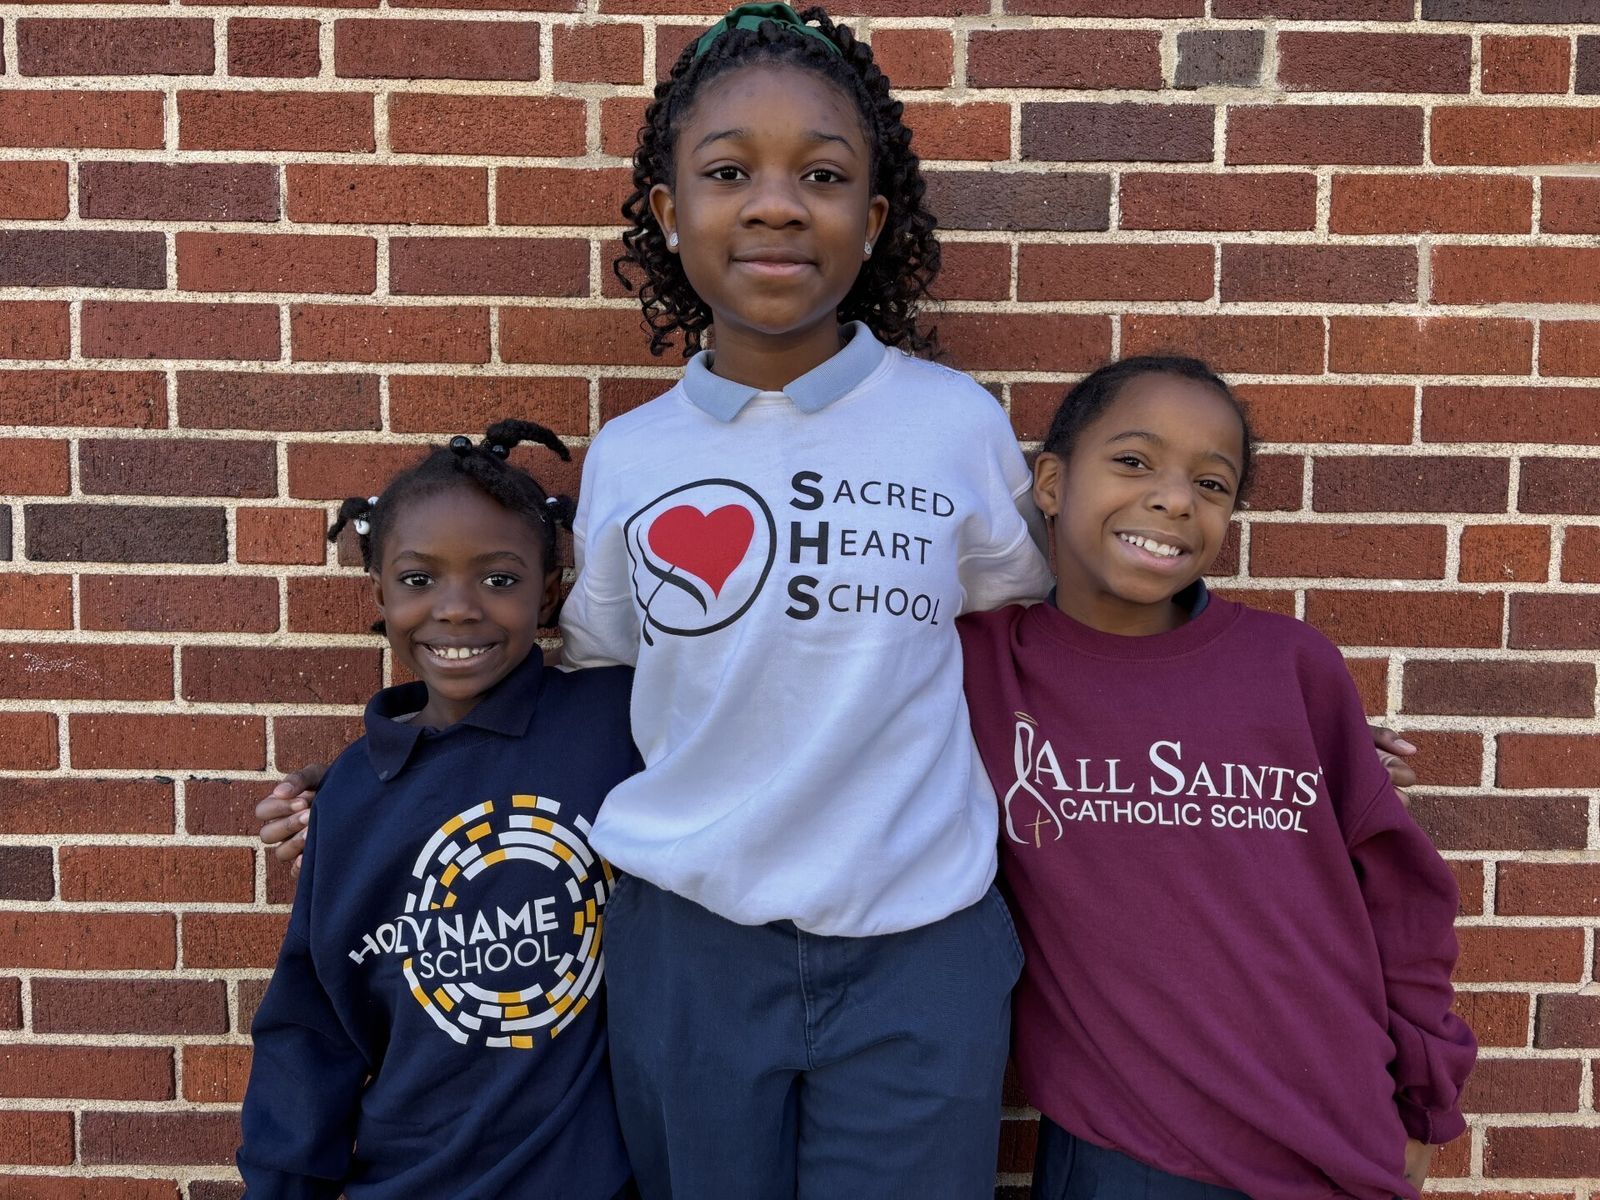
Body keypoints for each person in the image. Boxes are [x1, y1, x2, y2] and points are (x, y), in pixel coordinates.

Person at [253, 7, 1420, 1196]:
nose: (772, 204)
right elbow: (586, 691)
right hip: (690, 950)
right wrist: (378, 792)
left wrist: (1264, 730)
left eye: (820, 175)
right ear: (669, 212)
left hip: (920, 951)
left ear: (870, 221)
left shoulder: (953, 426)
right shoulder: (629, 458)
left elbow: (1059, 646)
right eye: (725, 174)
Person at [958, 357, 1476, 1200]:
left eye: (1212, 481)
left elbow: (1401, 891)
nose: (1173, 499)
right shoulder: (984, 667)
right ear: (1051, 482)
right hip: (1128, 1147)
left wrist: (1423, 1096)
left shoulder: (1291, 668)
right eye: (1133, 461)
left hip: (1336, 1135)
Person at [237, 422, 641, 1200]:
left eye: (498, 579)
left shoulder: (616, 725)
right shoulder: (352, 796)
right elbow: (311, 1028)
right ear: (380, 594)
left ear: (549, 592)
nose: (456, 611)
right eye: (419, 581)